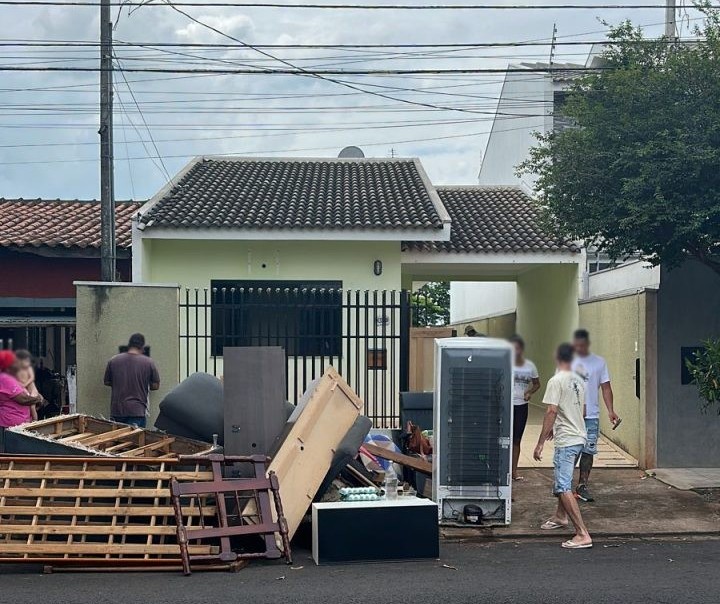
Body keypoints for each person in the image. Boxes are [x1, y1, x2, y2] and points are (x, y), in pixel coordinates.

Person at [534, 343, 592, 549]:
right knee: (564, 479)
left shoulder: (556, 380)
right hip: (579, 437)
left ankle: (582, 533)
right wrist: (560, 425)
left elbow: (551, 411)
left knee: (562, 486)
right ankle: (560, 517)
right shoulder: (579, 380)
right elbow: (582, 411)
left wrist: (540, 442)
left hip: (567, 441)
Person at [572, 328, 618, 502]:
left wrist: (610, 410)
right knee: (571, 450)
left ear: (587, 345)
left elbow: (606, 387)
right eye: (577, 346)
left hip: (591, 416)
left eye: (582, 345)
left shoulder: (599, 363)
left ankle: (582, 485)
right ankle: (565, 485)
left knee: (588, 451)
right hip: (572, 416)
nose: (580, 349)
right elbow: (558, 389)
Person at [104, 333, 160, 428]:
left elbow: (107, 382)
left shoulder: (113, 361)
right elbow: (156, 385)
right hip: (137, 411)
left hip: (117, 410)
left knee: (117, 441)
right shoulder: (148, 362)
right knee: (135, 441)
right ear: (142, 347)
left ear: (129, 345)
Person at [509, 335, 540, 481]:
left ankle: (514, 472)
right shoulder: (506, 363)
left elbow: (537, 384)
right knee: (504, 439)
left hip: (521, 406)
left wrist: (529, 392)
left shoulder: (530, 366)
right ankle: (503, 471)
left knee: (516, 439)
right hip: (506, 406)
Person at [0, 350, 45, 430]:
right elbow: (23, 399)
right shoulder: (5, 378)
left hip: (20, 425)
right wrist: (38, 399)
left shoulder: (13, 376)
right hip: (11, 427)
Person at [12, 350, 39, 421]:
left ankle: (35, 422)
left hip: (33, 391)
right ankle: (30, 420)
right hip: (26, 390)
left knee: (32, 407)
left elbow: (32, 378)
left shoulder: (28, 368)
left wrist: (25, 384)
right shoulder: (18, 370)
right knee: (27, 406)